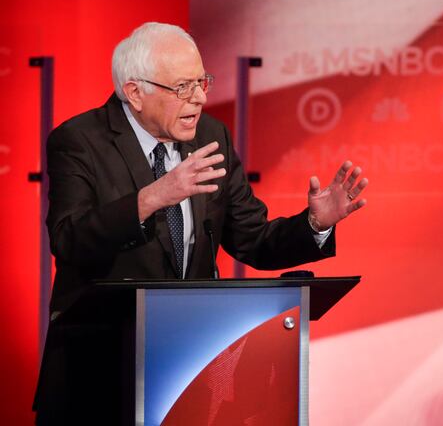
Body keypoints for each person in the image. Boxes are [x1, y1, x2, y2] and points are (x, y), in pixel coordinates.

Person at [33, 22, 368, 424]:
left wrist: (315, 224)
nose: (200, 98)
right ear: (135, 92)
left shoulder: (212, 137)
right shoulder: (79, 140)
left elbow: (253, 240)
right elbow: (69, 239)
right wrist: (153, 197)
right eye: (183, 88)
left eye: (201, 82)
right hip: (97, 373)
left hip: (187, 372)